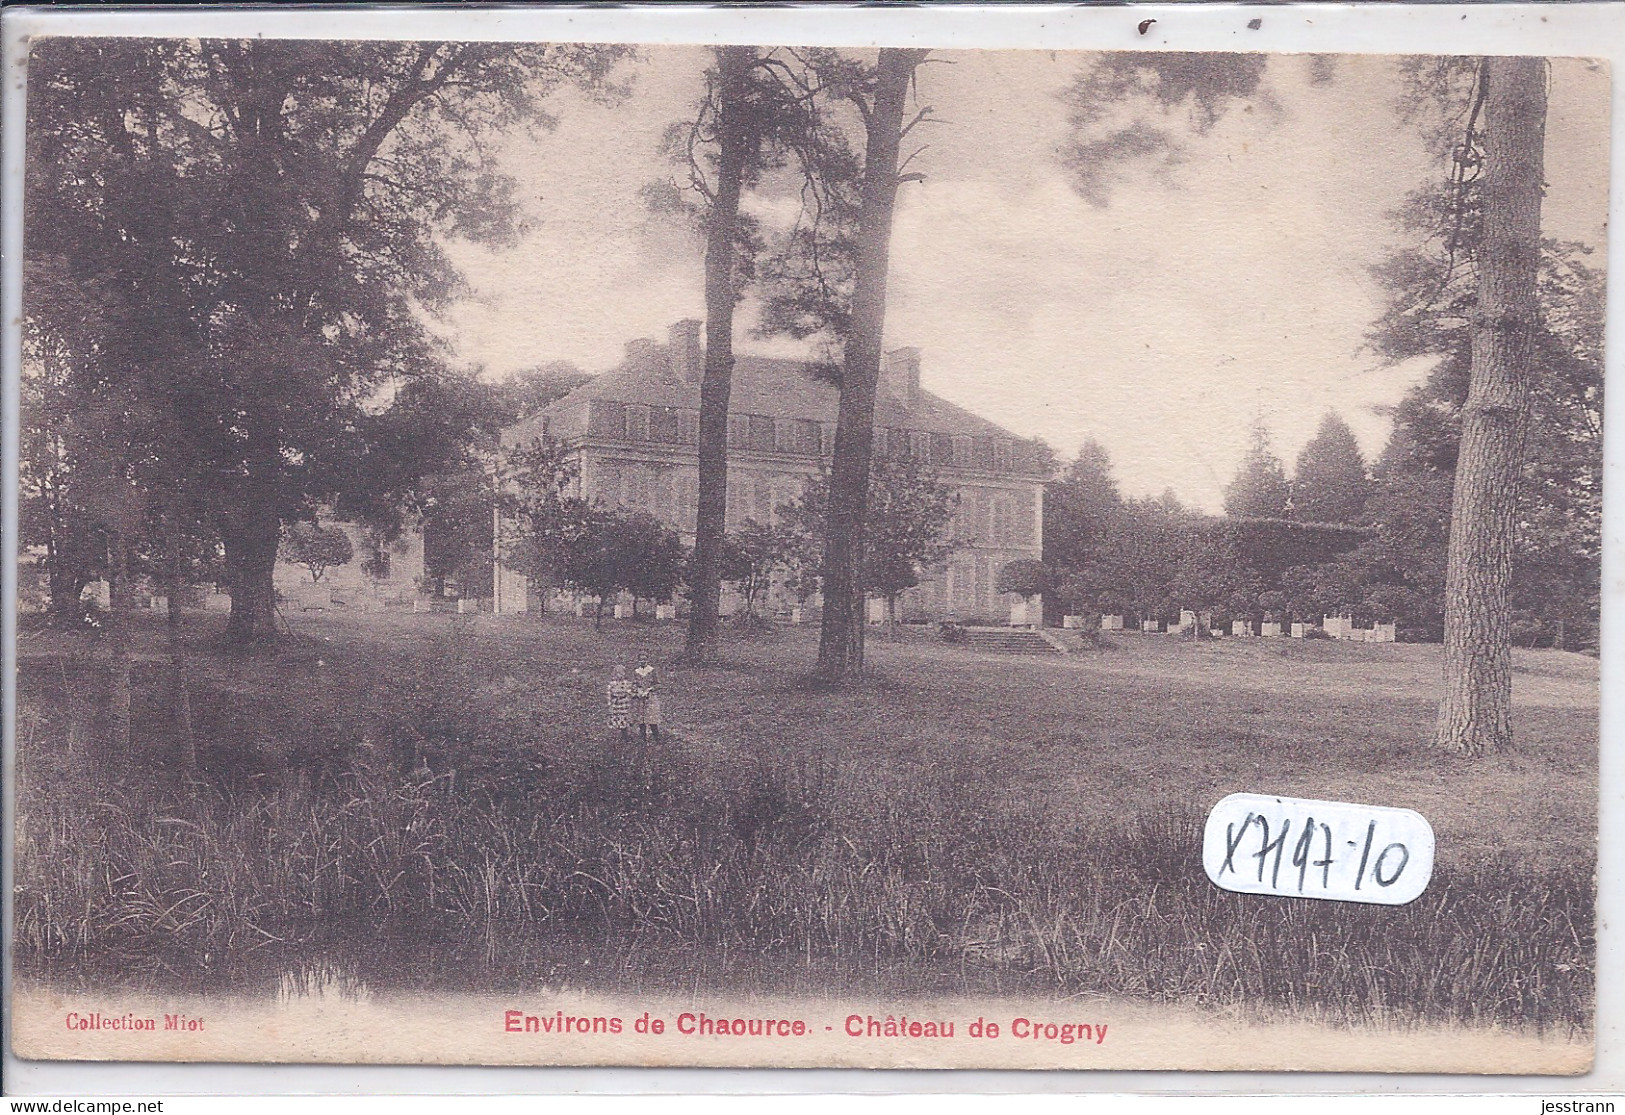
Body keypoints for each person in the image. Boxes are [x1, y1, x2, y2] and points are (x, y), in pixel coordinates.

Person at [632, 663, 662, 743]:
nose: (642, 661)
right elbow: (634, 684)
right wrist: (637, 690)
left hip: (650, 698)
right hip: (640, 698)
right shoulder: (636, 671)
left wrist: (650, 689)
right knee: (641, 719)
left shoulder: (652, 670)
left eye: (644, 659)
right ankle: (643, 739)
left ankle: (657, 738)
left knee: (652, 719)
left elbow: (658, 684)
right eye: (641, 659)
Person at [605, 665, 633, 741]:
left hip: (624, 703)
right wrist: (609, 703)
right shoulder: (612, 684)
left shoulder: (626, 683)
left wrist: (628, 696)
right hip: (615, 704)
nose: (619, 675)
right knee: (616, 718)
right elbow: (609, 694)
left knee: (624, 718)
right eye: (618, 673)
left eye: (622, 673)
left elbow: (629, 692)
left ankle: (625, 735)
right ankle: (617, 735)